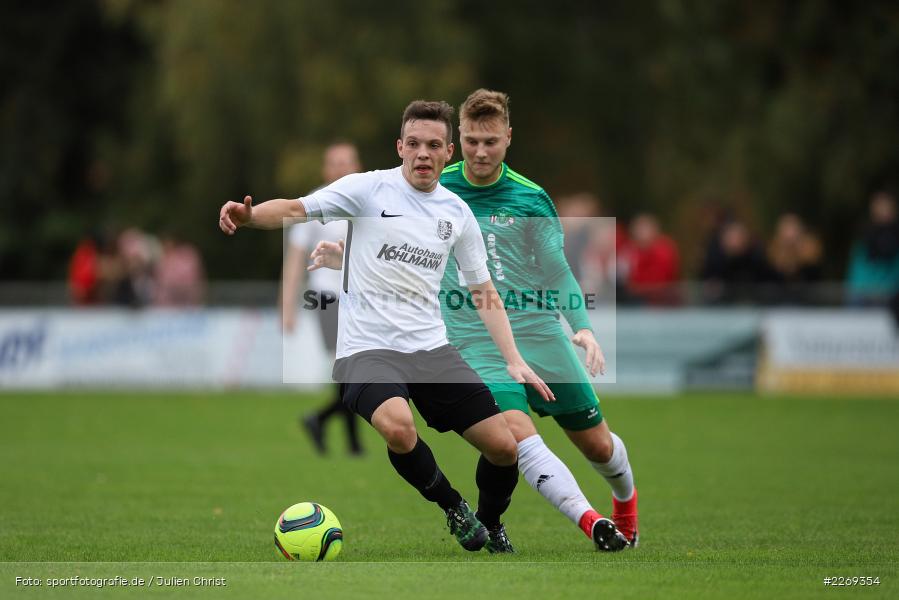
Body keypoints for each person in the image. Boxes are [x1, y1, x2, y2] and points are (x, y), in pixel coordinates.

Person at [220, 99, 554, 554]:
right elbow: (298, 209)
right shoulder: (366, 189)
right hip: (366, 348)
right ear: (399, 147)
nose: (422, 153)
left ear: (448, 152)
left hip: (432, 350)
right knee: (398, 427)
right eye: (413, 143)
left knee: (504, 448)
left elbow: (484, 292)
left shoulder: (456, 213)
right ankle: (453, 506)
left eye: (433, 145)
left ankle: (490, 522)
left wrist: (514, 360)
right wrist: (250, 215)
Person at [311, 90, 636, 551]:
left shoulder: (530, 198)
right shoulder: (432, 184)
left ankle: (623, 503)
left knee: (598, 447)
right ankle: (590, 522)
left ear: (507, 138)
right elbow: (394, 247)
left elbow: (557, 269)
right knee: (515, 435)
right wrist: (345, 258)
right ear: (455, 143)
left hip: (540, 331)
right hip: (472, 336)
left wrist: (580, 324)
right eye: (470, 142)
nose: (479, 152)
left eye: (490, 142)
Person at [280, 142, 364, 455]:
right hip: (326, 299)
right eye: (335, 163)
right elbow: (294, 260)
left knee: (354, 371)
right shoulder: (314, 207)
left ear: (358, 166)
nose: (341, 168)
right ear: (325, 169)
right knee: (349, 370)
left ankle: (323, 422)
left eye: (347, 162)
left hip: (360, 299)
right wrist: (287, 306)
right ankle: (346, 438)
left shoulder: (368, 203)